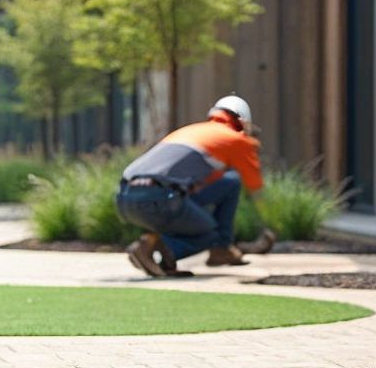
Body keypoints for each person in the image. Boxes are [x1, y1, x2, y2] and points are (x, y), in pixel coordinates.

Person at [116, 94, 277, 277]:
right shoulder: (236, 140)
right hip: (158, 198)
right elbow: (256, 189)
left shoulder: (192, 131)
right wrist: (272, 223)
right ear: (242, 122)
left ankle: (216, 251)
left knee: (230, 182)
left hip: (125, 197)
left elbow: (203, 187)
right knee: (210, 234)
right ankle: (154, 246)